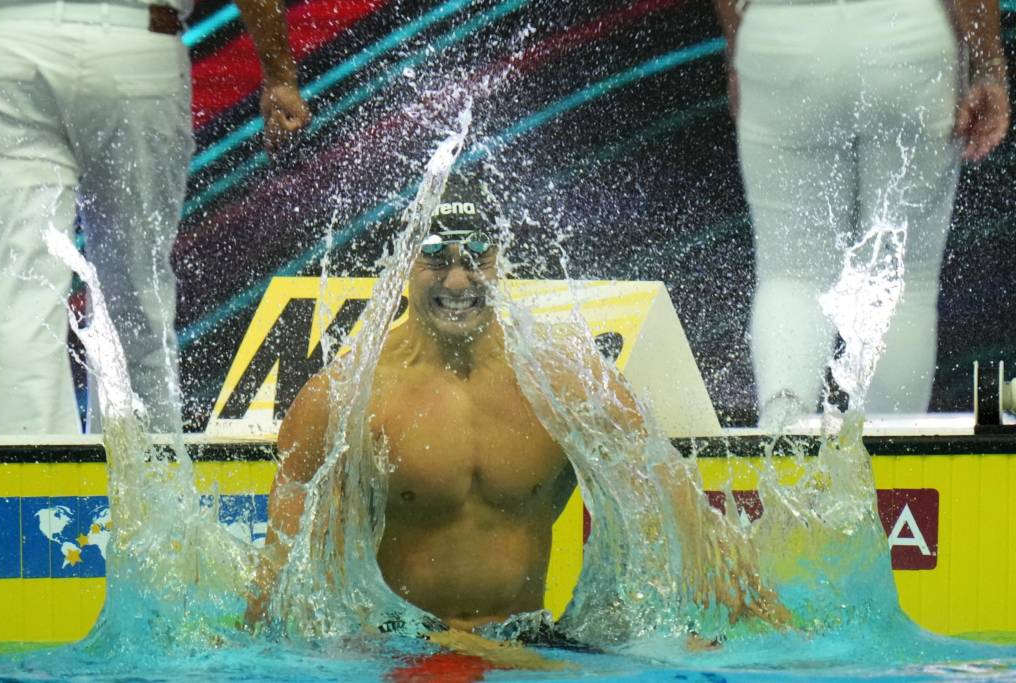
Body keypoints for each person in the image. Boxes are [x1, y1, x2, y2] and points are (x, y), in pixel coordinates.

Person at [245, 175, 787, 659]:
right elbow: (281, 574)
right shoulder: (346, 398)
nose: (458, 281)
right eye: (436, 256)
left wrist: (754, 617)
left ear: (498, 258)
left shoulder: (562, 383)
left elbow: (672, 492)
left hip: (528, 640)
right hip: (403, 648)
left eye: (475, 255)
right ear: (402, 262)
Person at [0, 0, 311, 434]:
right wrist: (279, 77)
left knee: (17, 294)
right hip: (130, 44)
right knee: (134, 291)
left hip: (11, 46)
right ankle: (145, 484)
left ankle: (31, 495)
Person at [713, 0, 1011, 427]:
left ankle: (780, 443)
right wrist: (987, 66)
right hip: (906, 38)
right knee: (902, 281)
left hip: (782, 38)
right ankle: (890, 471)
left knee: (792, 274)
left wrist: (741, 45)